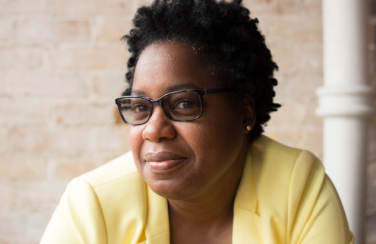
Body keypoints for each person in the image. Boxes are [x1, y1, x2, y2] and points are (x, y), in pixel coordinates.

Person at [40, 0, 354, 243]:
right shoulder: (91, 204)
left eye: (185, 104)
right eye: (140, 107)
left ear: (244, 112)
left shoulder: (297, 188)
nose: (153, 130)